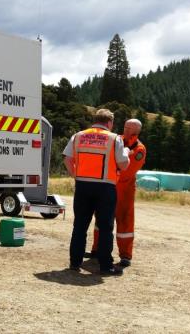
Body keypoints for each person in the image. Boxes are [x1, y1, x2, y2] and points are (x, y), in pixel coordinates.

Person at [63, 109, 130, 275]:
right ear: (110, 123)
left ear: (95, 120)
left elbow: (67, 158)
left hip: (83, 186)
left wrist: (76, 175)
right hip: (105, 187)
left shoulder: (78, 136)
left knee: (79, 226)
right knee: (105, 228)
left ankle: (74, 263)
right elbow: (123, 164)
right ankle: (105, 265)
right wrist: (127, 154)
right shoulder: (114, 138)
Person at [90, 119, 146, 267]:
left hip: (124, 192)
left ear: (137, 132)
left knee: (125, 223)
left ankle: (125, 256)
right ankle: (96, 250)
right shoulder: (116, 140)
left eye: (130, 129)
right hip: (108, 187)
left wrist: (112, 166)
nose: (126, 131)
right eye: (125, 127)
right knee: (101, 220)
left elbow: (127, 170)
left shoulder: (140, 149)